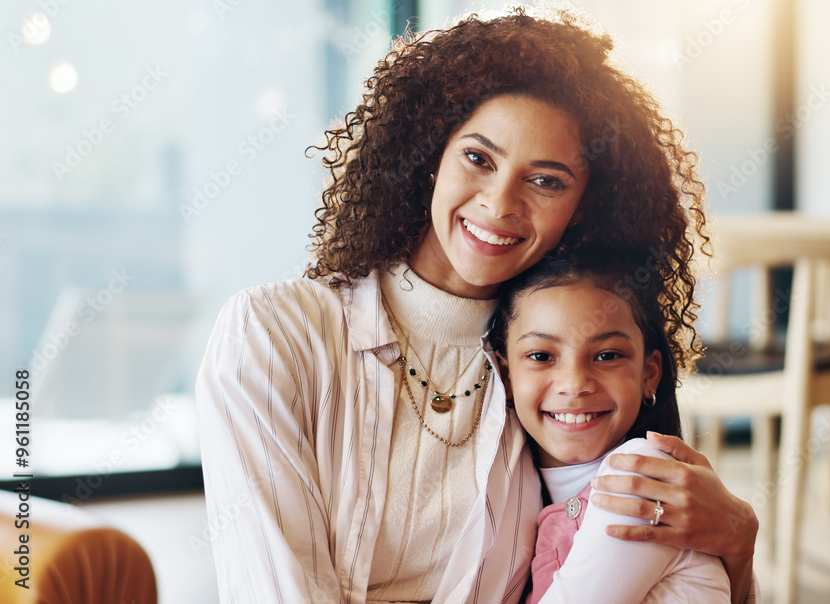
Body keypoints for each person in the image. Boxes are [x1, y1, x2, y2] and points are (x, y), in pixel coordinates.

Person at [195, 6, 758, 604]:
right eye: (478, 158)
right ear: (430, 154)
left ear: (584, 207)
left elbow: (669, 579)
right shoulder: (273, 332)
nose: (500, 203)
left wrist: (739, 543)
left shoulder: (558, 368)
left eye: (547, 181)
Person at [490, 248, 731, 604]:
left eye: (607, 356)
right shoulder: (522, 494)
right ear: (506, 375)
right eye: (541, 356)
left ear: (649, 374)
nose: (574, 383)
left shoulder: (642, 475)